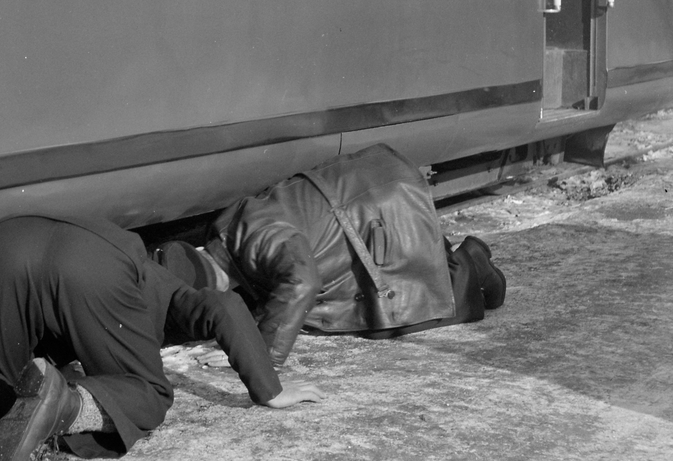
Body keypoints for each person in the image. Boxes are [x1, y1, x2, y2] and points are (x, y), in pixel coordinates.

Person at [0, 214, 321, 461]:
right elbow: (225, 307)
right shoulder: (171, 292)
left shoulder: (145, 269)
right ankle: (64, 406)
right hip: (89, 264)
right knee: (148, 394)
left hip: (7, 241)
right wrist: (269, 387)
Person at [155, 144, 506, 365]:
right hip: (363, 208)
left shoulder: (256, 240)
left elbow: (301, 282)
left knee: (402, 315)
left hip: (378, 205)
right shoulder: (225, 233)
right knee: (334, 317)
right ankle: (452, 261)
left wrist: (261, 356)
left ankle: (473, 262)